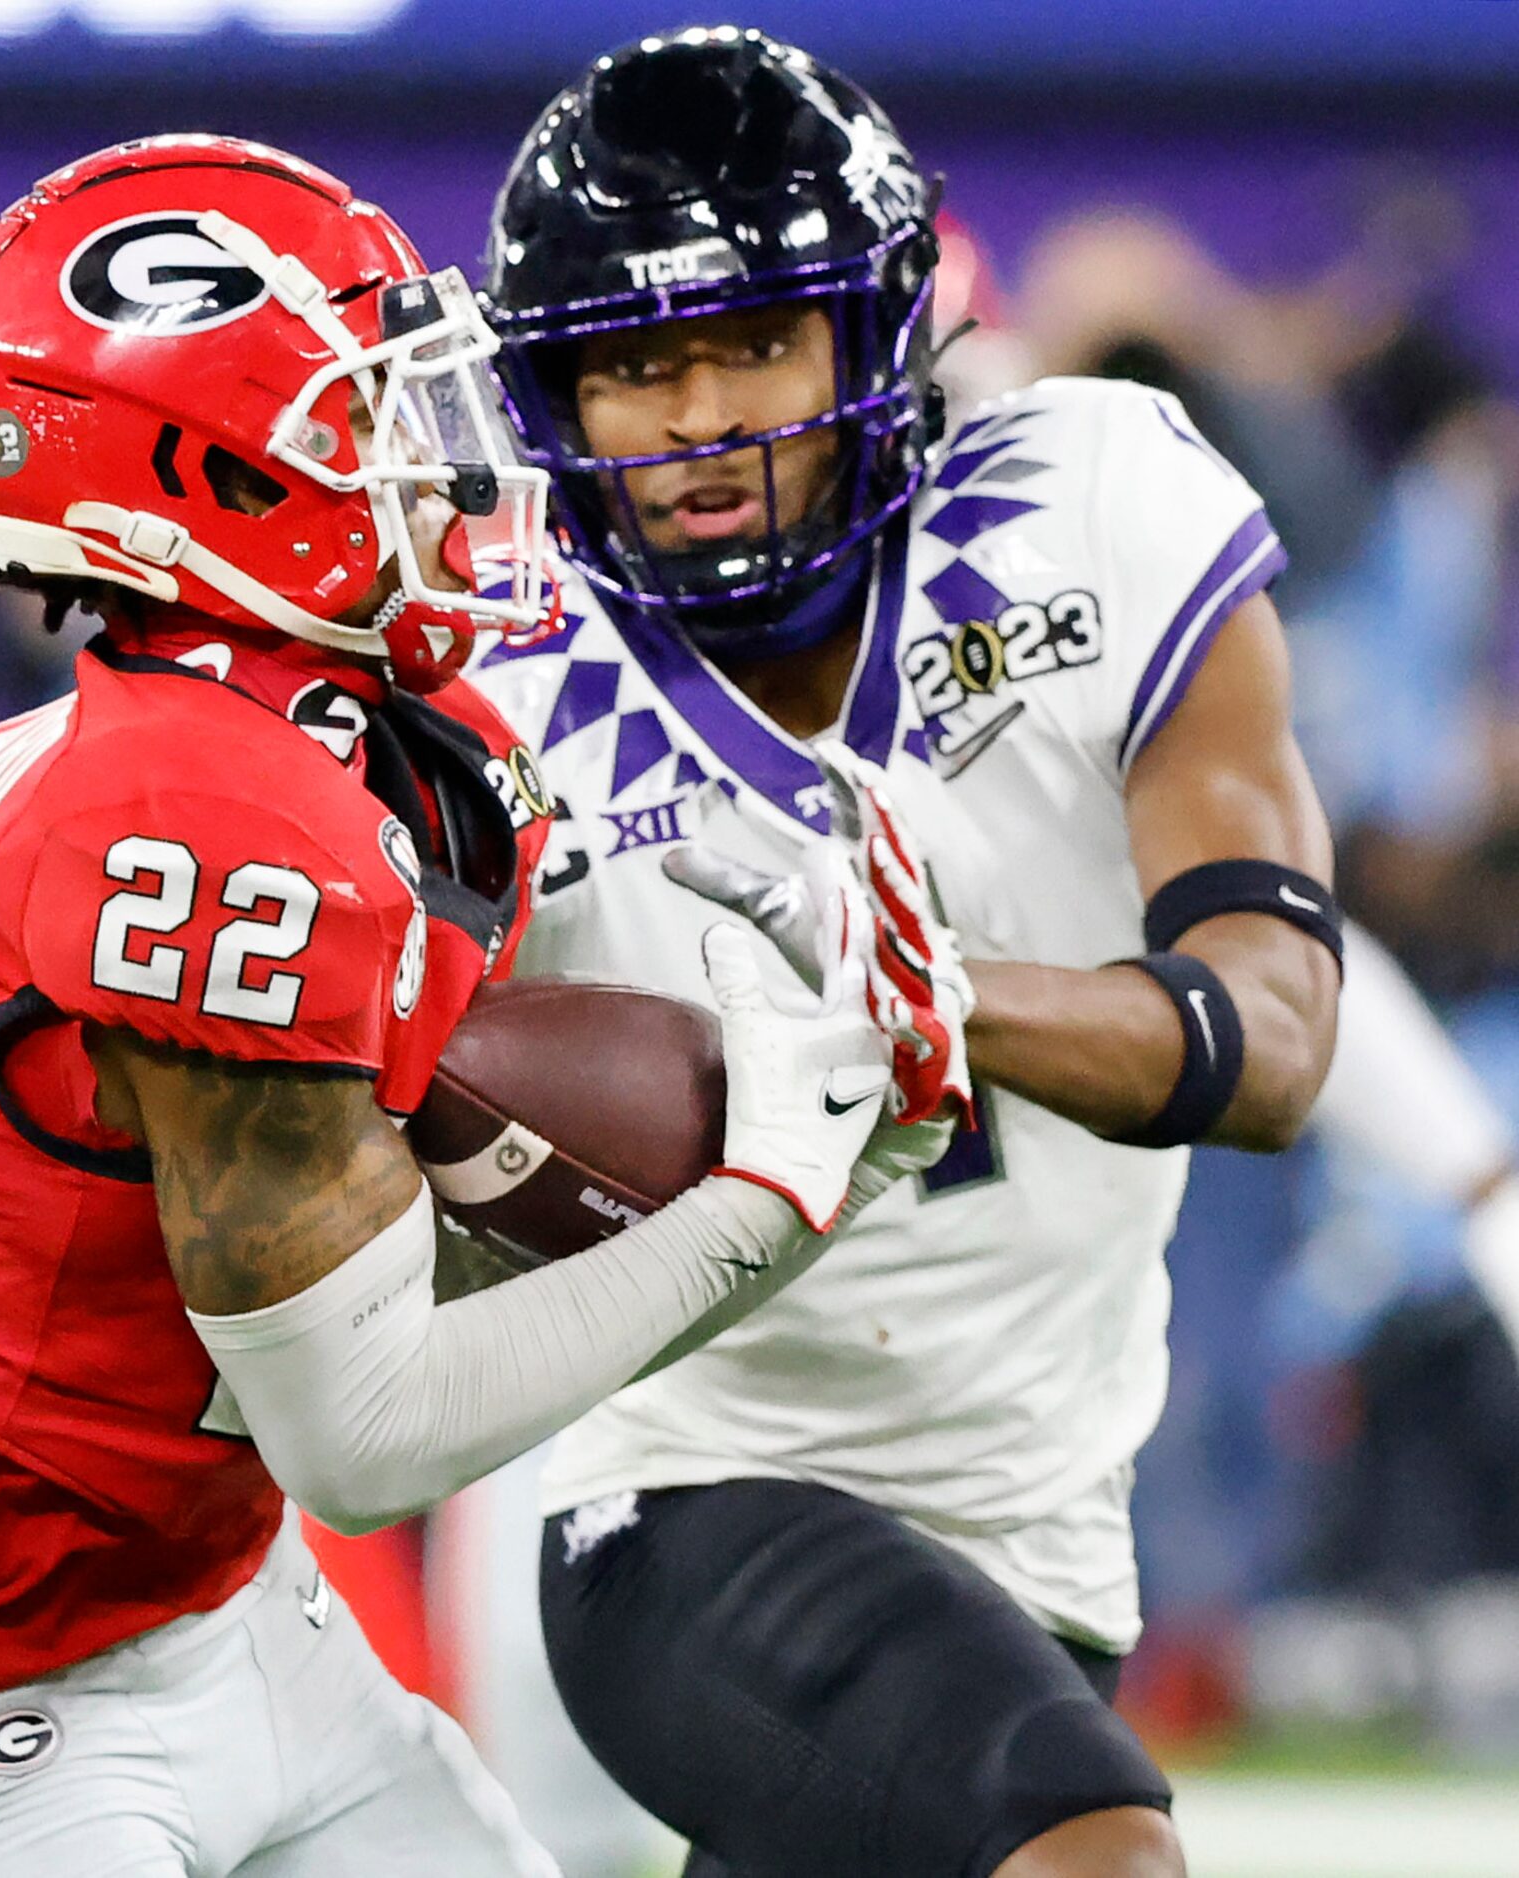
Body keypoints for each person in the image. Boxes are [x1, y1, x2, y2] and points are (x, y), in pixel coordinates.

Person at [0, 134, 943, 1878]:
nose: (430, 457)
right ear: (200, 481)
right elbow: (365, 1431)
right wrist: (774, 1198)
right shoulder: (189, 823)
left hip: (233, 1603)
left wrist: (825, 1032)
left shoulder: (364, 731)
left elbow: (506, 1140)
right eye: (366, 414)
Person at [468, 29, 1345, 1878]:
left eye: (751, 344)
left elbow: (1275, 1042)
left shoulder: (1093, 500)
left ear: (873, 334)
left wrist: (939, 997)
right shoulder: (489, 679)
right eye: (634, 366)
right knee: (1091, 1851)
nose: (698, 418)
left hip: (1037, 1536)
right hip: (693, 1492)